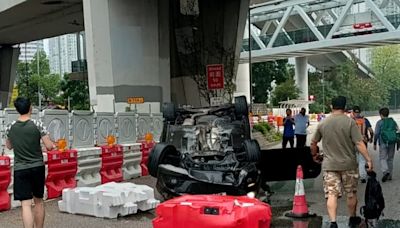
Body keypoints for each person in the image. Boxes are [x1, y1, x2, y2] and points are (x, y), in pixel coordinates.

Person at [310, 96, 373, 228]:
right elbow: (359, 143)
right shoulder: (350, 122)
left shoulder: (323, 123)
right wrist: (368, 159)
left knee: (331, 194)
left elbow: (313, 143)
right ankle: (352, 218)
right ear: (345, 107)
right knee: (351, 193)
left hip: (330, 166)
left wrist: (315, 155)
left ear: (331, 106)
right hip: (348, 165)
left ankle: (333, 222)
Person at [5, 97, 55, 228]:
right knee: (38, 201)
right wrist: (53, 145)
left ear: (17, 110)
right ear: (30, 108)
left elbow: (9, 146)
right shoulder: (38, 125)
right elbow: (49, 146)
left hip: (20, 169)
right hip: (37, 167)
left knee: (25, 204)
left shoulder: (10, 127)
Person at [373, 107, 398, 182]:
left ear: (381, 114)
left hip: (383, 142)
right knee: (390, 159)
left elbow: (376, 133)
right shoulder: (393, 122)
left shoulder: (379, 122)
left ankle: (385, 171)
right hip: (392, 142)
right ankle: (390, 175)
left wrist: (374, 142)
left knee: (382, 158)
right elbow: (397, 130)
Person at [352, 106, 374, 183]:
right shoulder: (365, 120)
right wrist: (371, 138)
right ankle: (363, 176)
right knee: (362, 160)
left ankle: (354, 175)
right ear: (360, 112)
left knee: (354, 159)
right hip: (363, 142)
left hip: (353, 142)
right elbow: (371, 131)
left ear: (353, 112)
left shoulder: (351, 121)